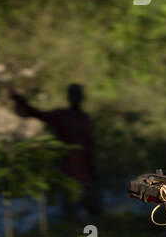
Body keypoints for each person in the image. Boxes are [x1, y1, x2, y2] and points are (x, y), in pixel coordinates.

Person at [11, 83, 101, 216]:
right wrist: (20, 101)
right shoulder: (65, 117)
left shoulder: (82, 118)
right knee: (75, 216)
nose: (77, 98)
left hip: (83, 175)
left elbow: (89, 150)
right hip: (70, 173)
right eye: (75, 95)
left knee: (92, 215)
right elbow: (33, 113)